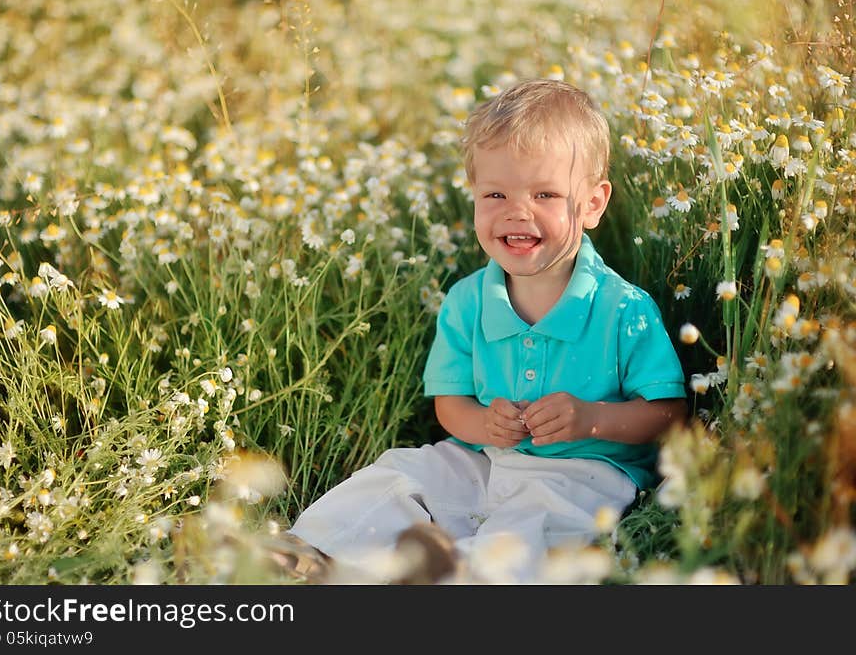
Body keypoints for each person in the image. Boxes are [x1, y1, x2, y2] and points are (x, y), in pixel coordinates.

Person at [273, 78, 688, 584]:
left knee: (528, 525)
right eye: (495, 193)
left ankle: (449, 577)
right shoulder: (469, 300)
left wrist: (591, 419)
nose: (518, 211)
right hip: (488, 457)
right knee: (405, 471)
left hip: (583, 472)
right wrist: (482, 426)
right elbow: (451, 404)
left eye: (545, 194)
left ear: (594, 204)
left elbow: (668, 414)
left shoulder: (623, 308)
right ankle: (310, 553)